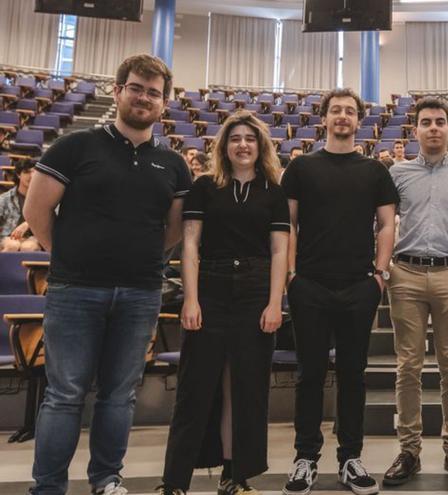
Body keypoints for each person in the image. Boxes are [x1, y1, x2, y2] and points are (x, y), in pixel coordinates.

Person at [23, 54, 191, 495]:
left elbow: (173, 229)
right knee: (64, 394)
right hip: (75, 289)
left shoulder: (173, 164)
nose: (144, 98)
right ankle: (48, 487)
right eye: (136, 88)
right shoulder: (75, 147)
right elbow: (36, 209)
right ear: (117, 91)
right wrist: (68, 253)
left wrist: (142, 259)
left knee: (120, 394)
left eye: (154, 93)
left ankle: (106, 480)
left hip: (140, 292)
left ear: (164, 103)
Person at [157, 111, 289, 495]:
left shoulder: (274, 191)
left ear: (260, 145)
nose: (243, 145)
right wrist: (191, 299)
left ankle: (236, 476)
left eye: (250, 138)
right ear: (224, 146)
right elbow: (191, 245)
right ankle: (175, 481)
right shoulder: (204, 186)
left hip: (255, 290)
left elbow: (280, 251)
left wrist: (274, 303)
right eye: (235, 139)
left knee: (246, 389)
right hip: (210, 289)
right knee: (195, 387)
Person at [281, 88, 398, 495]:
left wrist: (379, 275)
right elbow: (288, 225)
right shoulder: (300, 168)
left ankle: (350, 457)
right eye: (336, 111)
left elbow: (386, 225)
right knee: (309, 374)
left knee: (353, 375)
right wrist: (292, 274)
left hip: (358, 285)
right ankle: (305, 458)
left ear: (359, 119)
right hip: (309, 285)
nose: (342, 116)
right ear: (325, 118)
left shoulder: (375, 170)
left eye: (349, 111)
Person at [382, 98, 448, 486]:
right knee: (407, 366)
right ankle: (409, 450)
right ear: (416, 130)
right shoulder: (397, 173)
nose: (434, 128)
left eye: (440, 122)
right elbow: (384, 223)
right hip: (405, 273)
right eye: (426, 122)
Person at [0, 160, 40, 252]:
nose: (31, 176)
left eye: (35, 173)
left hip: (34, 238)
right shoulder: (5, 198)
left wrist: (27, 223)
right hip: (8, 238)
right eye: (27, 172)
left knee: (28, 247)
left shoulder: (44, 198)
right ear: (18, 175)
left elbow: (52, 216)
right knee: (12, 245)